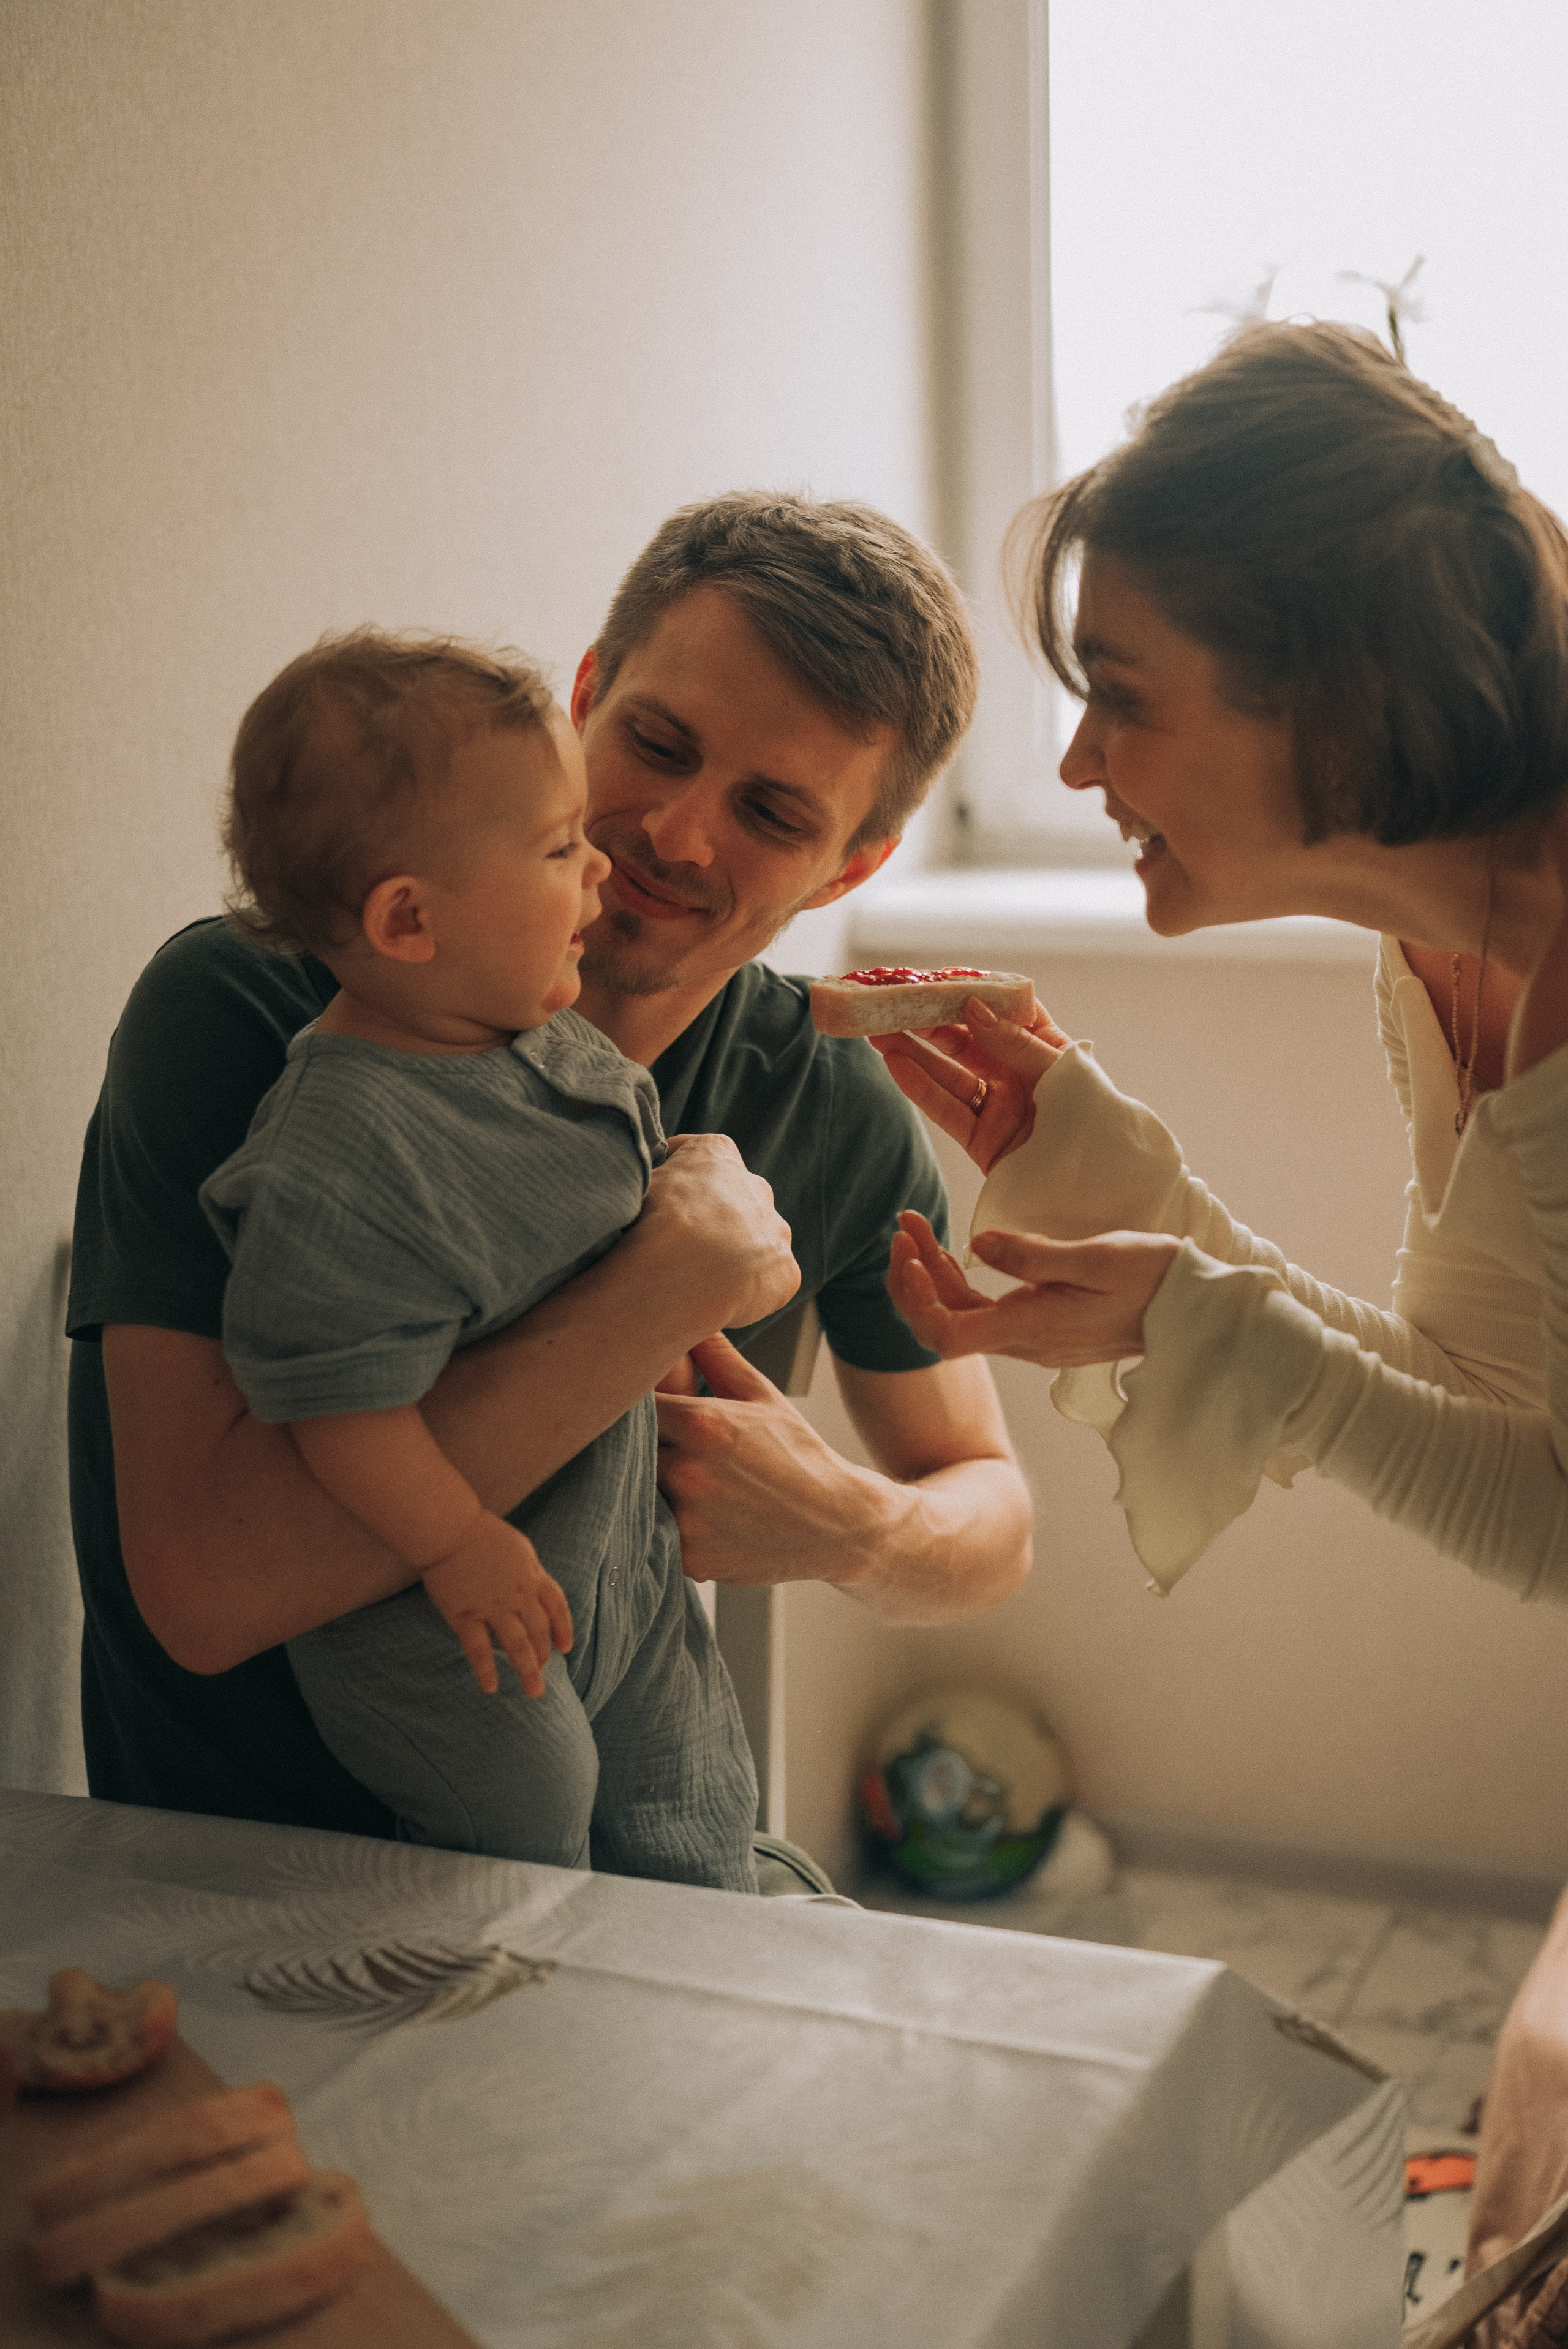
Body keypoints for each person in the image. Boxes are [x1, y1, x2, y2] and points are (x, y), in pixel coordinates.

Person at [871, 322, 1568, 2323]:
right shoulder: (1439, 946)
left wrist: (1204, 1304)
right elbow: (1495, 1411)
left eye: (1121, 697)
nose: (1080, 763)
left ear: (1328, 711)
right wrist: (1134, 1196)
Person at [67, 491, 1033, 1849]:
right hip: (251, 1893)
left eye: (767, 809)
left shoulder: (820, 1099)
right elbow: (205, 1591)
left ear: (845, 867)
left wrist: (856, 1527)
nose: (678, 836)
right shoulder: (253, 1011)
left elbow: (989, 1513)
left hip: (636, 1874)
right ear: (586, 695)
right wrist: (653, 1293)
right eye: (656, 743)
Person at [198, 629, 759, 1890]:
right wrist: (455, 1543)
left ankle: (696, 1996)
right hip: (442, 1618)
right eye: (561, 849)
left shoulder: (537, 1040)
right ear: (411, 918)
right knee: (527, 1802)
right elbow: (333, 1401)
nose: (602, 871)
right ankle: (503, 2003)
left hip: (607, 1561)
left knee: (694, 1785)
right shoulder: (340, 1144)